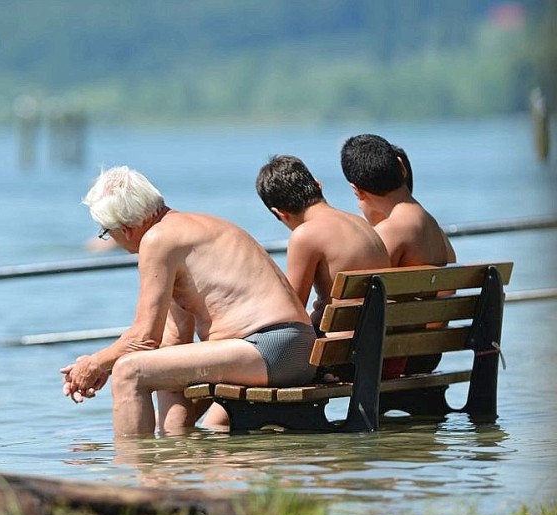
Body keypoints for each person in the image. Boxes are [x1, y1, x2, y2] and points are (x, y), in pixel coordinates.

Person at [60, 166, 316, 438]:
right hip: (294, 348)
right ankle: (173, 458)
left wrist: (96, 364)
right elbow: (169, 339)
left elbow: (142, 337)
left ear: (126, 229)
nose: (109, 238)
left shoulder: (157, 240)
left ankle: (130, 472)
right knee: (155, 363)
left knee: (128, 372)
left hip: (270, 347)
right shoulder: (190, 228)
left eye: (105, 232)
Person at [341, 134, 457, 375]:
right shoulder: (435, 229)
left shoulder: (387, 233)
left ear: (358, 191)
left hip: (392, 357)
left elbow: (354, 306)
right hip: (427, 354)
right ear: (402, 167)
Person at [255, 155, 390, 333]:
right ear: (318, 185)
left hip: (343, 349)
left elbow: (292, 310)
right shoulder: (361, 223)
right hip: (381, 341)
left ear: (280, 213)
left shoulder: (305, 234)